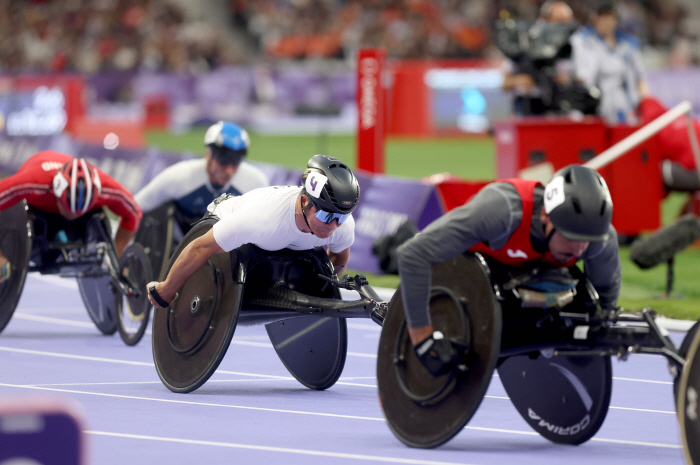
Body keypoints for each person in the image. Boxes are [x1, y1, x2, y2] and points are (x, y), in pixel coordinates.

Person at [396, 165, 621, 376]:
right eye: (571, 236)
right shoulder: (501, 211)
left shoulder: (600, 238)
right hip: (466, 274)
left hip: (527, 277)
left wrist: (594, 334)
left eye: (587, 241)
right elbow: (413, 255)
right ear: (545, 215)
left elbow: (604, 303)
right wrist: (423, 340)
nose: (578, 249)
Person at [146, 154, 360, 309]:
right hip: (224, 219)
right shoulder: (261, 219)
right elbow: (200, 247)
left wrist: (319, 289)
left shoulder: (343, 225)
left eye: (340, 218)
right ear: (305, 201)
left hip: (275, 243)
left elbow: (339, 256)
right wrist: (165, 290)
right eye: (326, 216)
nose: (333, 227)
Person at [0, 150, 142, 282]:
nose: (72, 214)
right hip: (39, 207)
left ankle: (68, 234)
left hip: (79, 220)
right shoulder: (33, 182)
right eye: (67, 208)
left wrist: (116, 255)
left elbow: (134, 213)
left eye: (77, 212)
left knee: (81, 223)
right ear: (57, 190)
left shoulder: (106, 188)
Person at [134, 121, 269, 241]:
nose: (229, 170)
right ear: (208, 154)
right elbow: (135, 207)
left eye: (235, 161)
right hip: (177, 248)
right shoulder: (178, 177)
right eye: (223, 160)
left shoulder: (256, 183)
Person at [570, 2, 649, 124]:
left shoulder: (627, 45)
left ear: (616, 20)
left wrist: (645, 103)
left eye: (609, 17)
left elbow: (639, 78)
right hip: (594, 101)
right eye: (602, 17)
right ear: (595, 19)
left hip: (622, 101)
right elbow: (580, 75)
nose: (606, 22)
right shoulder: (583, 41)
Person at [500, 1, 577, 116]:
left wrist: (568, 80)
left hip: (561, 106)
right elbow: (504, 83)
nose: (563, 27)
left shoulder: (574, 43)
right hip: (530, 106)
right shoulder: (526, 39)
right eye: (559, 21)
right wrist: (518, 80)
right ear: (545, 19)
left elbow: (584, 78)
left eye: (567, 22)